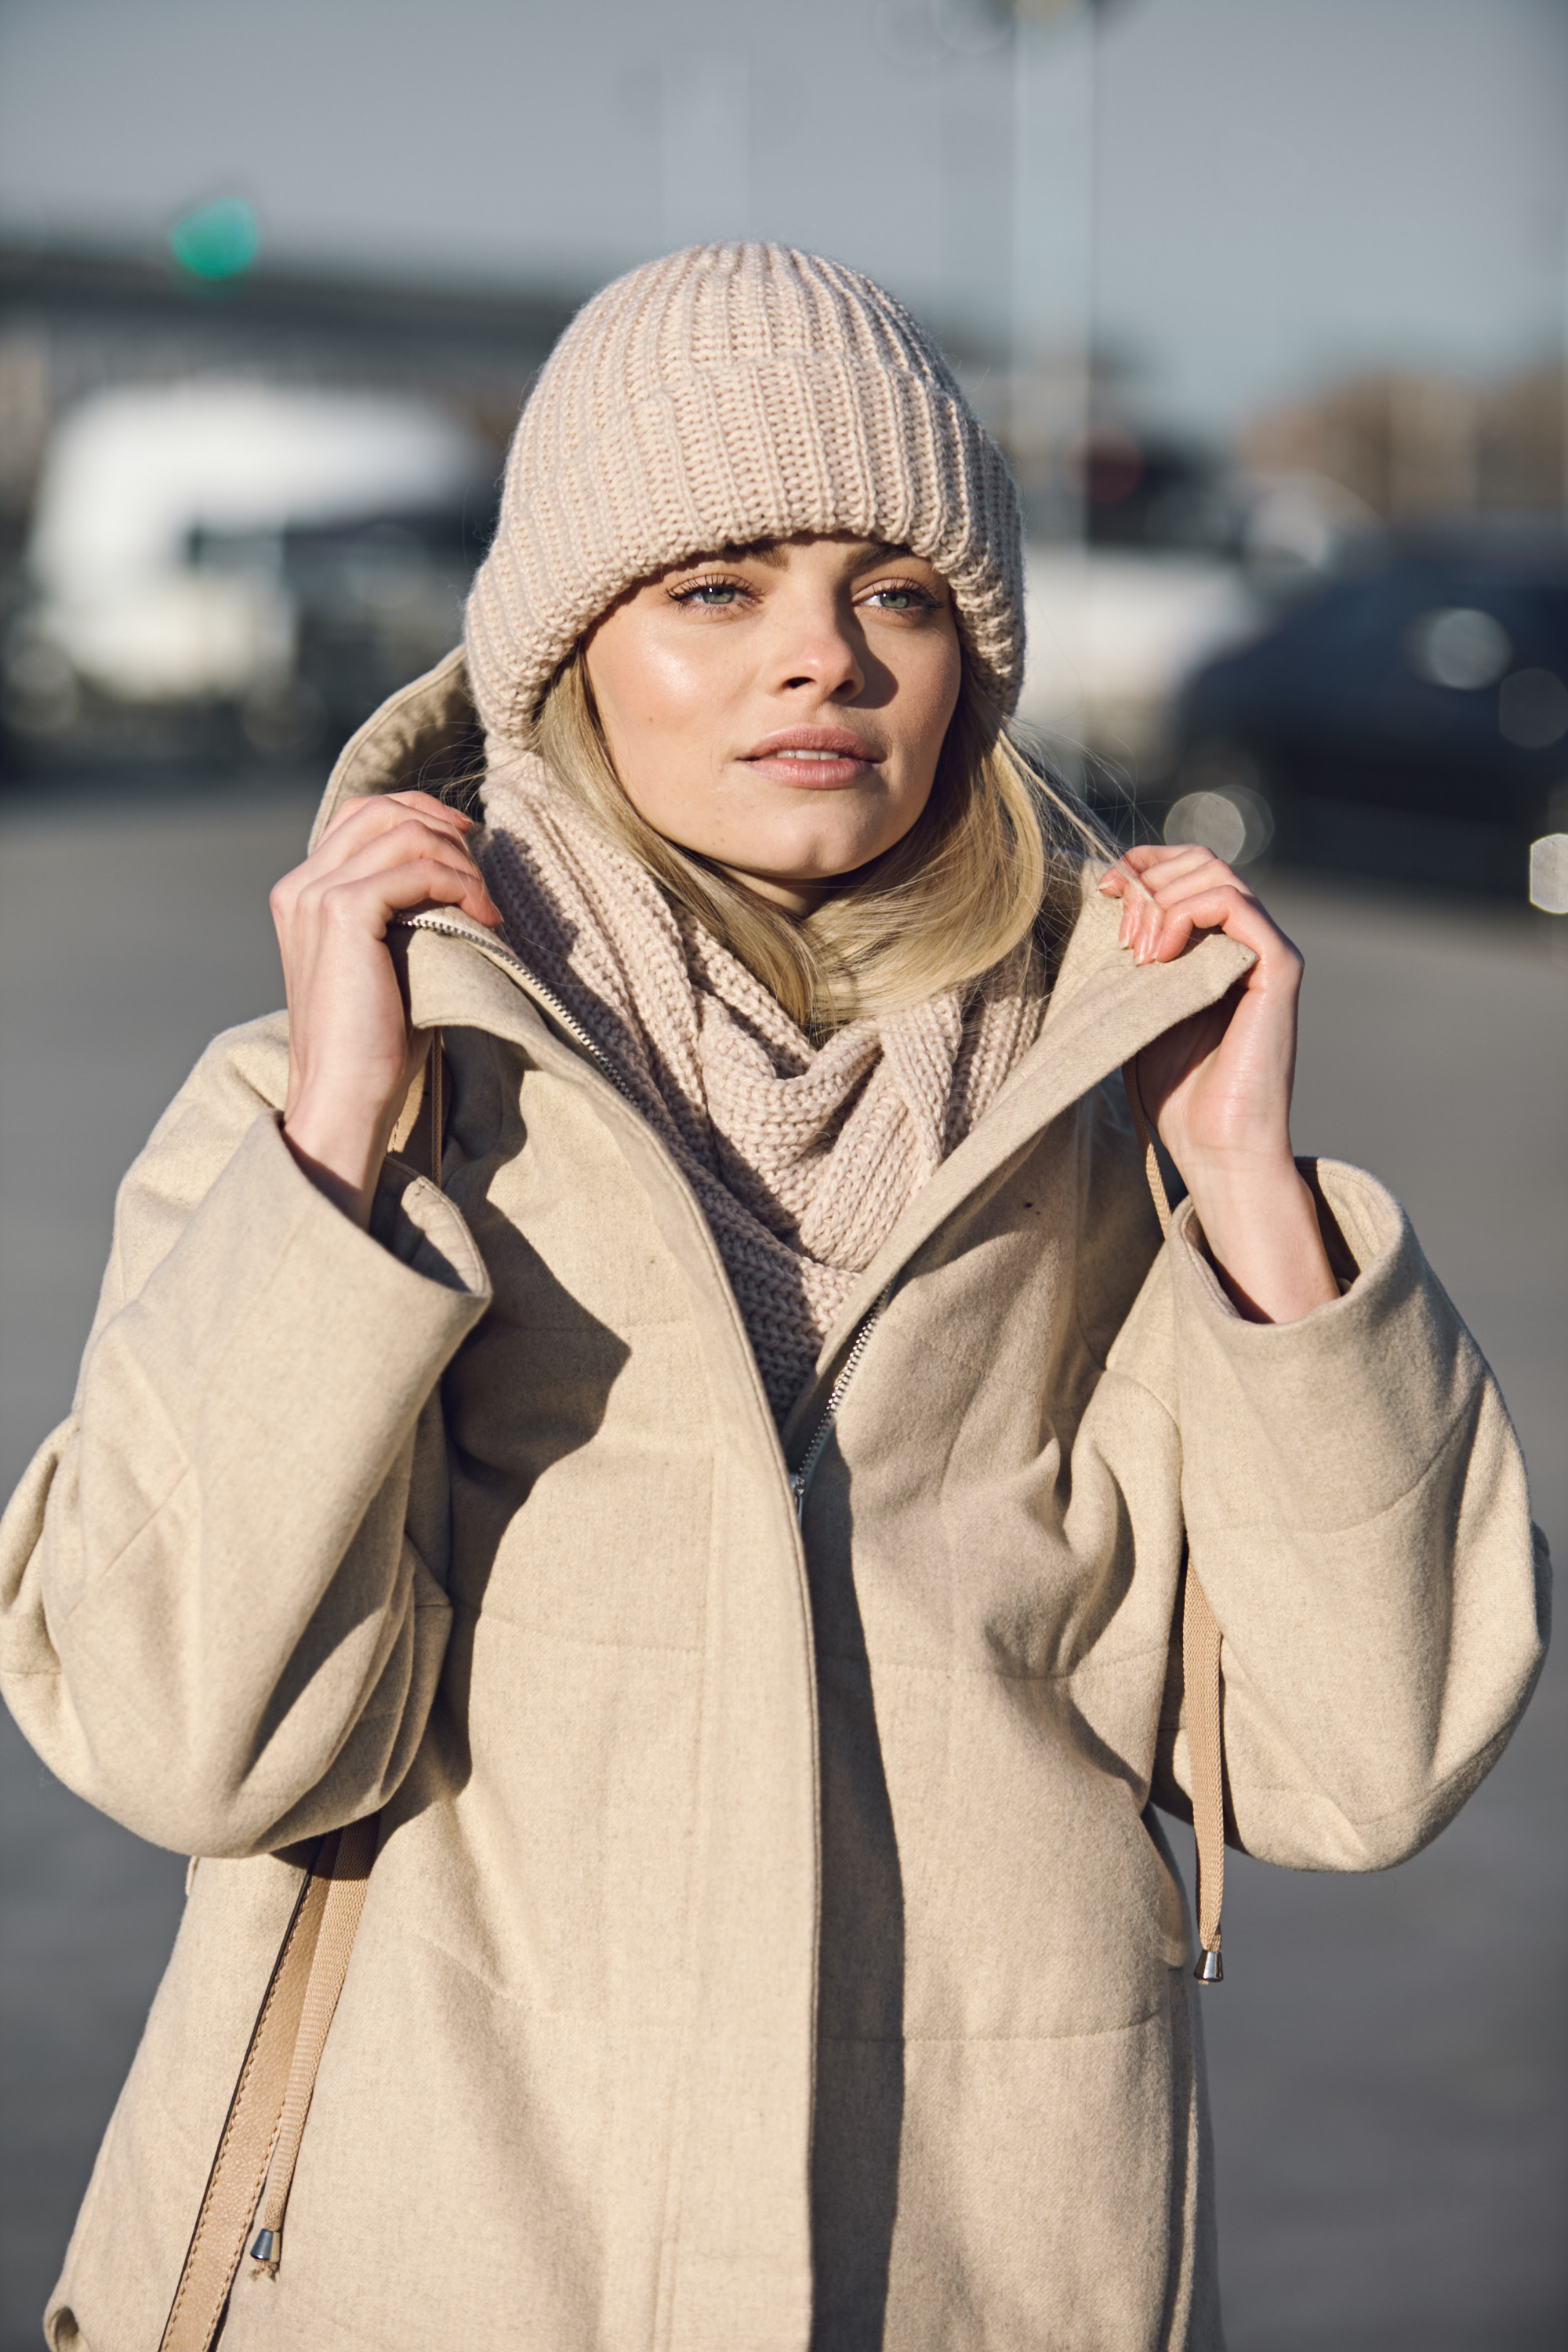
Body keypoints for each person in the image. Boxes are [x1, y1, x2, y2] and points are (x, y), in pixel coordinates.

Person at [0, 244, 1546, 2352]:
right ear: (568, 649)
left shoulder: (1121, 1138)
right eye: (716, 588)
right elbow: (179, 1735)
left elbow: (1368, 1762)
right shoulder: (331, 1105)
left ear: (972, 663)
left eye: (893, 590)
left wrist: (1252, 1193)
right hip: (419, 2260)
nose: (820, 659)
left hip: (982, 2281)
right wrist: (342, 1152)